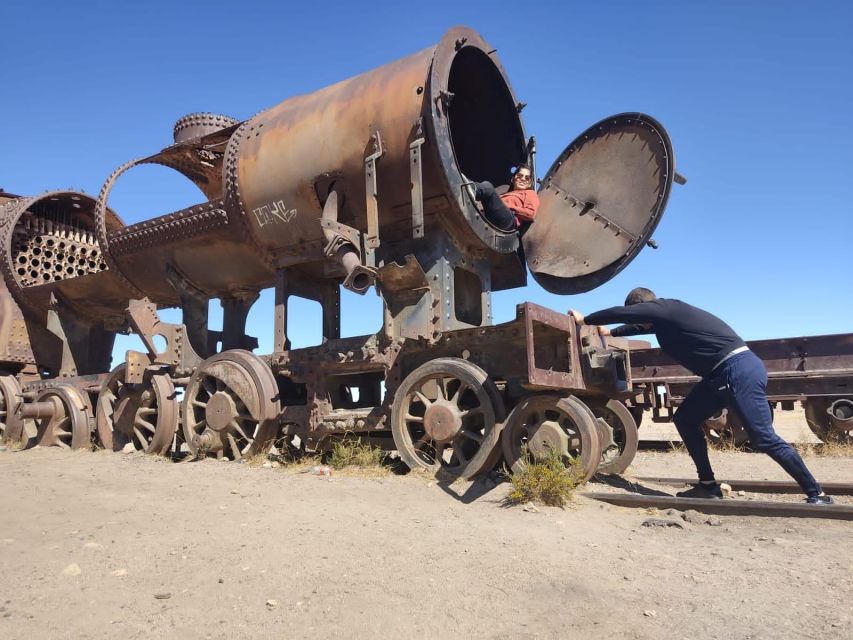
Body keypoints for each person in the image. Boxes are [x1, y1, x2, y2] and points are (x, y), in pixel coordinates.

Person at [569, 287, 834, 505]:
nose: (642, 323)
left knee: (763, 437)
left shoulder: (667, 307)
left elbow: (624, 315)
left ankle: (817, 493)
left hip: (738, 370)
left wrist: (587, 320)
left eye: (639, 316)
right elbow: (639, 327)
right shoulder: (666, 322)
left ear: (643, 308)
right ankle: (708, 485)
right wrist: (611, 332)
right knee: (685, 419)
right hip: (719, 376)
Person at [464, 164, 539, 231]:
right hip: (488, 215)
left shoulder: (530, 193)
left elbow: (531, 214)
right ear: (512, 179)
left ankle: (467, 185)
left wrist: (507, 206)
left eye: (527, 178)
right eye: (519, 176)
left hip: (509, 220)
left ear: (529, 184)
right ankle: (465, 186)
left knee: (488, 187)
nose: (523, 179)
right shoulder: (503, 195)